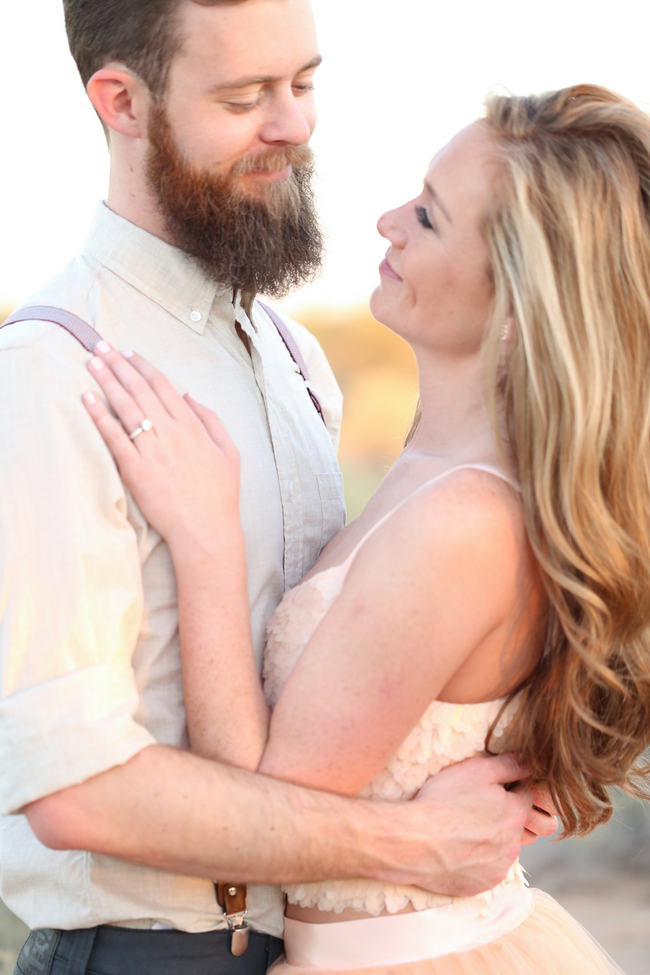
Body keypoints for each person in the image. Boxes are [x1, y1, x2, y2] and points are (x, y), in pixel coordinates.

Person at [0, 2, 553, 974]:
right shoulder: (51, 374)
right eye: (245, 96)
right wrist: (416, 844)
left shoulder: (295, 360)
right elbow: (74, 791)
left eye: (303, 84)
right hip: (147, 957)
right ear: (122, 102)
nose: (293, 126)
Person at [82, 83, 650, 974]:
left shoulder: (466, 519)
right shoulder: (439, 472)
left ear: (517, 306)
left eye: (428, 216)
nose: (386, 221)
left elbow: (257, 819)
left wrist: (206, 541)